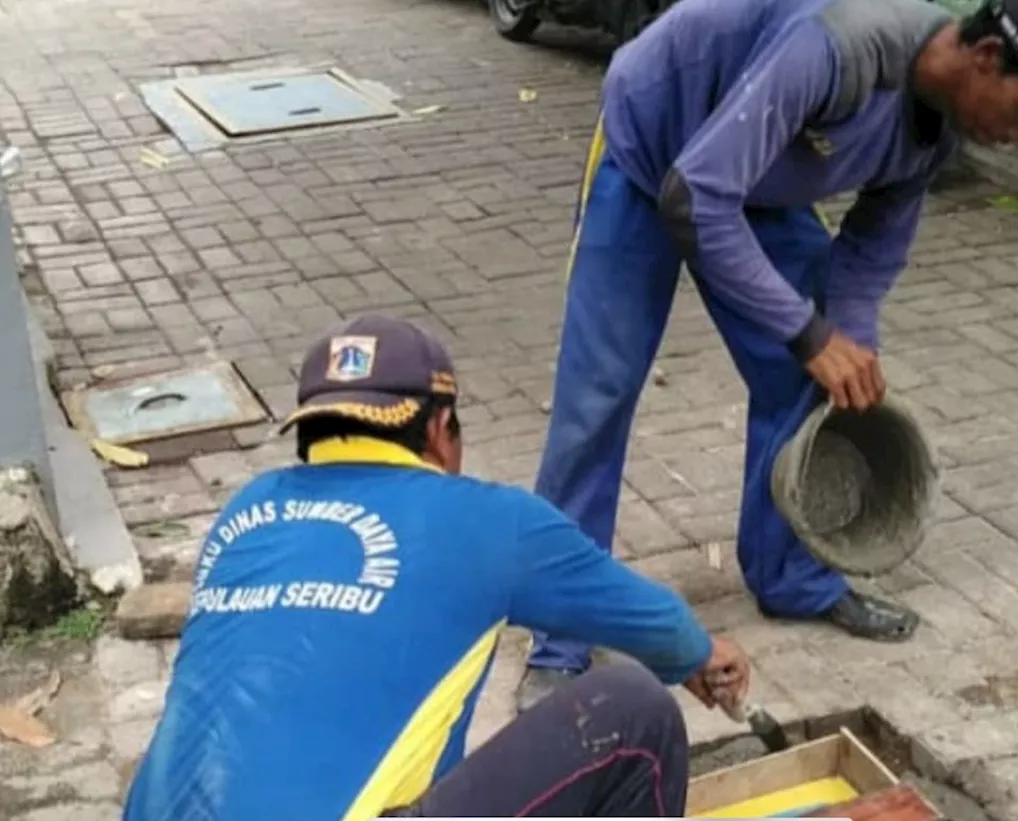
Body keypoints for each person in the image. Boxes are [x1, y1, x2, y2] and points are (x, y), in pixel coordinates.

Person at [519, 0, 1018, 710]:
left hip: (753, 186)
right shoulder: (840, 50)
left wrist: (846, 346)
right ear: (988, 59)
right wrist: (807, 331)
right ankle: (560, 638)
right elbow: (696, 196)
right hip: (653, 159)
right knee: (598, 397)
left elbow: (871, 253)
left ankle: (793, 578)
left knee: (815, 378)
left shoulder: (940, 130)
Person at [123, 314, 752, 820]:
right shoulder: (486, 520)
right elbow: (653, 623)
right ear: (442, 428)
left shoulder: (247, 509)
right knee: (634, 708)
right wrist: (700, 651)